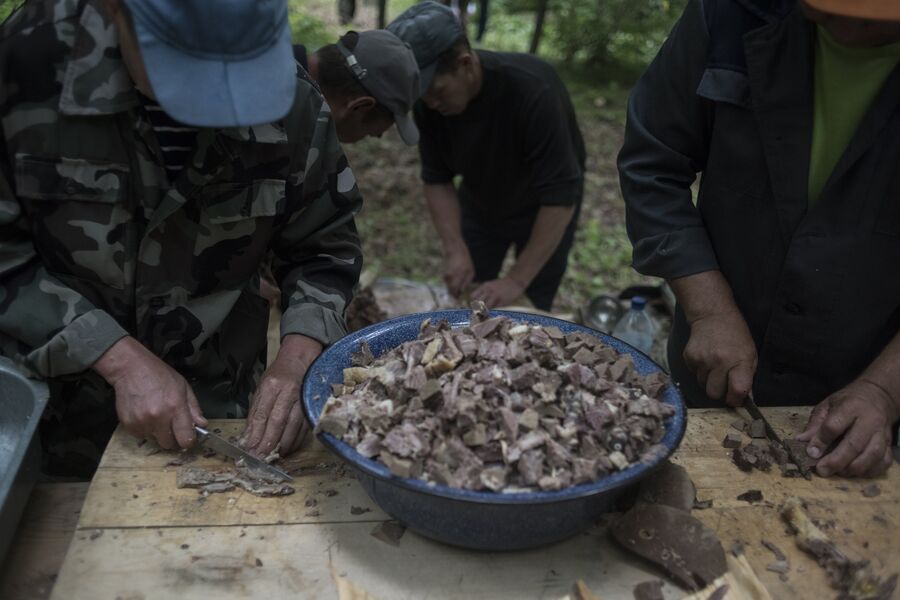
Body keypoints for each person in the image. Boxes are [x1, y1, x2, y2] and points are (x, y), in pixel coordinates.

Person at [0, 0, 364, 478]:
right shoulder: (23, 62)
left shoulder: (293, 98)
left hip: (221, 409)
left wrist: (299, 360)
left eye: (240, 68)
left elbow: (324, 247)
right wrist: (118, 359)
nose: (221, 95)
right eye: (189, 65)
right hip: (56, 421)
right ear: (115, 11)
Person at [618, 0, 900, 477]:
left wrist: (884, 390)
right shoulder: (730, 12)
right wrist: (709, 309)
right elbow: (652, 164)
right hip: (712, 369)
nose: (831, 17)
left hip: (867, 381)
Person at [387, 1, 586, 311]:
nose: (432, 102)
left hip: (544, 208)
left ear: (466, 63)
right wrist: (455, 248)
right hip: (480, 203)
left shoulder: (534, 91)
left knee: (528, 306)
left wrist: (517, 280)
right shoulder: (430, 104)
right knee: (471, 295)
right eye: (422, 95)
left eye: (438, 91)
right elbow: (436, 179)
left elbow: (561, 197)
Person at [293, 30, 421, 145]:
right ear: (359, 107)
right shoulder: (279, 124)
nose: (378, 136)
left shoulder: (283, 76)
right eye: (369, 134)